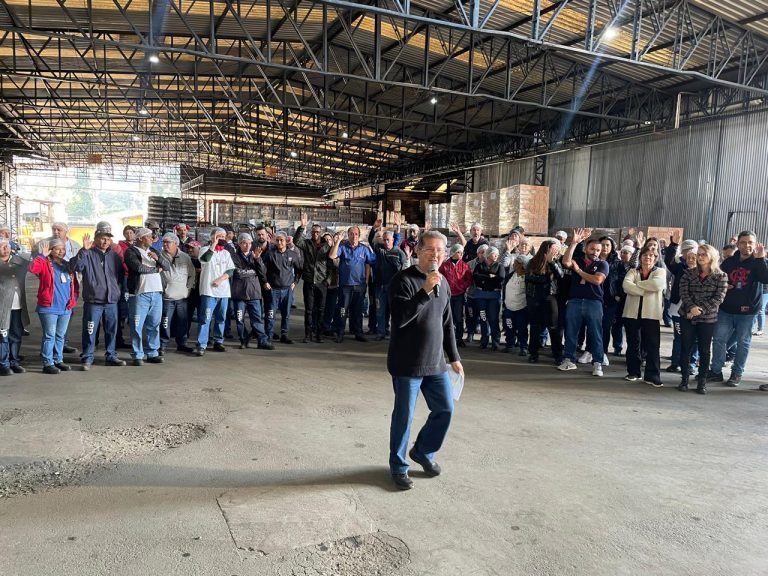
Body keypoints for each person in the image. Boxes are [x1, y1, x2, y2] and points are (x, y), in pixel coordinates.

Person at [387, 230, 463, 490]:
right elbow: (400, 318)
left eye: (440, 251)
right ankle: (398, 467)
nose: (436, 255)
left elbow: (447, 322)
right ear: (418, 251)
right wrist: (424, 291)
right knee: (404, 417)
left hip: (435, 362)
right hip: (407, 363)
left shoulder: (443, 283)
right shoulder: (403, 280)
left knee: (445, 410)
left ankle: (423, 451)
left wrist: (453, 356)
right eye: (430, 250)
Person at [708, 231, 768, 387]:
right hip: (726, 309)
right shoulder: (730, 262)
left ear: (755, 244)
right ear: (738, 244)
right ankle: (715, 371)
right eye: (743, 242)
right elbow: (717, 276)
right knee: (719, 340)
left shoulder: (759, 262)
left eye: (750, 242)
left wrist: (761, 259)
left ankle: (737, 373)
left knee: (743, 342)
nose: (747, 245)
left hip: (748, 312)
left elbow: (765, 278)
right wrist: (723, 285)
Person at [69, 222, 126, 370]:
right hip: (94, 301)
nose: (106, 241)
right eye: (102, 237)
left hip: (111, 301)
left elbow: (119, 276)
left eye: (108, 238)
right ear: (96, 238)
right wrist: (83, 250)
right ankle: (88, 356)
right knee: (90, 329)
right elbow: (75, 267)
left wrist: (115, 291)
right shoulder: (88, 254)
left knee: (112, 330)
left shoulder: (114, 256)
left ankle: (111, 355)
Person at [678, 244, 728, 394]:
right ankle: (684, 380)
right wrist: (691, 307)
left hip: (707, 318)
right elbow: (683, 292)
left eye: (703, 254)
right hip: (687, 315)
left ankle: (702, 382)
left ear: (712, 256)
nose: (700, 257)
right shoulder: (688, 273)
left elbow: (719, 298)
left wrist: (700, 310)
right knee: (686, 348)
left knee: (704, 351)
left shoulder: (721, 276)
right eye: (699, 254)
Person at [560, 229, 609, 376]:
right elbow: (566, 262)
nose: (595, 252)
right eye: (592, 249)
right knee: (571, 332)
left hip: (594, 302)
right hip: (575, 301)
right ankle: (569, 359)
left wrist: (579, 271)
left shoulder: (603, 264)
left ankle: (597, 363)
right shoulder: (578, 259)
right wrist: (574, 242)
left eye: (598, 250)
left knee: (595, 334)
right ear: (586, 248)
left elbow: (597, 280)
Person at [28, 239, 77, 374]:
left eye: (63, 249)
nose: (61, 251)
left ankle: (58, 360)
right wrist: (41, 256)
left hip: (65, 307)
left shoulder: (67, 265)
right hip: (49, 307)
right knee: (50, 335)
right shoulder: (44, 263)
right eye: (57, 249)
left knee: (60, 335)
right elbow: (32, 268)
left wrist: (72, 300)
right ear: (51, 250)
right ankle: (47, 362)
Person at [123, 227, 170, 365]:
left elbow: (167, 266)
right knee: (137, 325)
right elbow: (138, 268)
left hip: (156, 292)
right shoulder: (131, 251)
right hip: (140, 293)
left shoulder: (154, 251)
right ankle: (137, 354)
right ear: (140, 238)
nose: (152, 239)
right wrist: (156, 269)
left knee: (154, 324)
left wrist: (158, 258)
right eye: (149, 236)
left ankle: (153, 352)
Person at [621, 248, 666, 386]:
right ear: (640, 257)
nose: (648, 257)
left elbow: (657, 285)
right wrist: (646, 290)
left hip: (651, 314)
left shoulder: (660, 271)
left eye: (652, 255)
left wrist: (637, 285)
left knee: (652, 345)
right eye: (645, 255)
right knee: (633, 344)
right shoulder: (633, 271)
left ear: (656, 258)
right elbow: (626, 286)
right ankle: (633, 372)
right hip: (631, 314)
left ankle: (652, 375)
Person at [330, 226, 376, 343]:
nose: (354, 236)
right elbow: (332, 256)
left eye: (356, 234)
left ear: (359, 235)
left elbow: (369, 263)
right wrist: (338, 241)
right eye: (351, 234)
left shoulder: (364, 249)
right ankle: (339, 332)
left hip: (359, 285)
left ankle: (358, 332)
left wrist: (366, 280)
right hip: (345, 285)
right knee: (342, 310)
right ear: (348, 235)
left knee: (358, 310)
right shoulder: (343, 247)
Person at [194, 227, 235, 356]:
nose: (222, 239)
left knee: (221, 317)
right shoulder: (205, 250)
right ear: (212, 237)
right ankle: (202, 344)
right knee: (205, 318)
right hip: (209, 291)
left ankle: (218, 340)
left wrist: (221, 279)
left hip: (223, 292)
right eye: (219, 236)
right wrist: (214, 245)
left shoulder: (226, 253)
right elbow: (204, 260)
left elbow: (231, 270)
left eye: (223, 237)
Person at [294, 215, 333, 343]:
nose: (315, 234)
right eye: (313, 232)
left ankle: (319, 334)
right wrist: (302, 227)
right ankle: (308, 334)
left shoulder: (326, 246)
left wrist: (328, 280)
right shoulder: (306, 244)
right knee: (309, 310)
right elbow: (296, 241)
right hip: (309, 281)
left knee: (321, 310)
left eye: (317, 232)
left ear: (320, 233)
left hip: (321, 282)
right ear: (311, 233)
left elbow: (330, 265)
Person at [230, 233, 272, 350]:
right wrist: (252, 271)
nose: (247, 246)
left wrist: (257, 259)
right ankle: (244, 339)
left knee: (257, 319)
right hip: (239, 294)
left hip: (254, 294)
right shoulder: (234, 256)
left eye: (249, 243)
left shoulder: (256, 255)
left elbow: (263, 272)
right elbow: (238, 272)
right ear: (239, 244)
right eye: (244, 243)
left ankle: (262, 340)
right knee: (239, 320)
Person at [525, 239, 564, 364]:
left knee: (553, 326)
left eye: (556, 249)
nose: (555, 251)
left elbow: (560, 275)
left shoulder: (556, 262)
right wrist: (546, 279)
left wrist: (551, 262)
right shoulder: (533, 262)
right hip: (535, 297)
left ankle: (557, 354)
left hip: (550, 297)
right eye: (553, 249)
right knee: (535, 327)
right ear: (545, 249)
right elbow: (529, 277)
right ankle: (533, 353)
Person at [664, 235, 700, 372]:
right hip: (677, 308)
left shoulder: (705, 271)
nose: (691, 258)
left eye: (694, 254)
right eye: (687, 253)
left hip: (695, 310)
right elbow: (668, 261)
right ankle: (675, 362)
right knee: (679, 336)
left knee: (694, 338)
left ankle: (691, 364)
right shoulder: (679, 268)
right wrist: (673, 245)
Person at [262, 231, 302, 345]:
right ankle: (268, 336)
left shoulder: (292, 254)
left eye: (282, 240)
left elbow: (299, 268)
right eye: (278, 240)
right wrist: (265, 282)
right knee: (270, 314)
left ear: (286, 241)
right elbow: (262, 269)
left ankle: (284, 335)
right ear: (275, 241)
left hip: (287, 289)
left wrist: (296, 281)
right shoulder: (270, 254)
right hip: (273, 289)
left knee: (286, 314)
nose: (279, 242)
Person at [159, 232, 196, 354]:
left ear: (176, 244)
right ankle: (163, 344)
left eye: (168, 242)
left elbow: (192, 275)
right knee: (165, 322)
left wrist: (188, 289)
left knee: (182, 321)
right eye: (164, 242)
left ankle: (182, 343)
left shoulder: (185, 257)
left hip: (182, 297)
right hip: (167, 297)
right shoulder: (160, 257)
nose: (165, 245)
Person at [369, 228, 408, 341]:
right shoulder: (379, 250)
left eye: (388, 240)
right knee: (380, 311)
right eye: (384, 240)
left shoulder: (399, 253)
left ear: (393, 240)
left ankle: (395, 333)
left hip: (394, 288)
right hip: (380, 286)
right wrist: (374, 229)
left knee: (394, 311)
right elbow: (371, 240)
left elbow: (404, 269)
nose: (386, 242)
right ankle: (381, 333)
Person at [0, 238, 30, 375]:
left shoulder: (20, 261)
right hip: (2, 308)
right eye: (1, 247)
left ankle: (14, 361)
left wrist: (40, 254)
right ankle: (3, 364)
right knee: (3, 336)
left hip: (17, 306)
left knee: (16, 335)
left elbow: (35, 264)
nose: (5, 249)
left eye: (6, 246)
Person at [472, 246, 505, 350]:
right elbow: (476, 277)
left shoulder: (500, 266)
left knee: (493, 319)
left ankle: (495, 341)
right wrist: (490, 277)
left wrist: (486, 278)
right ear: (488, 255)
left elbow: (500, 279)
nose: (496, 256)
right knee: (483, 318)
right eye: (494, 254)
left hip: (493, 296)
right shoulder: (480, 266)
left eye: (497, 255)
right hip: (481, 295)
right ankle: (484, 340)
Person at [439, 243, 472, 347]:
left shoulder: (465, 266)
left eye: (462, 252)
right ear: (453, 252)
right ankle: (447, 338)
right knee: (447, 317)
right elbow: (440, 278)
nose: (461, 254)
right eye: (458, 252)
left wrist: (461, 287)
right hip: (447, 295)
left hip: (459, 295)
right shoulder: (444, 266)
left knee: (458, 317)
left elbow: (469, 280)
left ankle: (459, 338)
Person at [112, 225, 135, 349]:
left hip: (136, 277)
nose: (129, 234)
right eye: (127, 232)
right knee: (123, 300)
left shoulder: (137, 246)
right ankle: (122, 319)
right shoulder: (119, 246)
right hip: (125, 276)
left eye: (131, 232)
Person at [502, 254, 530, 355]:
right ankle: (509, 344)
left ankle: (523, 347)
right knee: (509, 328)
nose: (513, 264)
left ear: (521, 265)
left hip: (521, 308)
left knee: (522, 329)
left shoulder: (527, 278)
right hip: (509, 308)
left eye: (515, 263)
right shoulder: (510, 275)